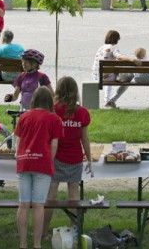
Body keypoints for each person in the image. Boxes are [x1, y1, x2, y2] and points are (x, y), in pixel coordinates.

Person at [43, 77, 93, 234]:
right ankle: (73, 231)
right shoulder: (82, 112)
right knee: (73, 197)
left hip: (54, 156)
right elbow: (84, 138)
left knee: (50, 197)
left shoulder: (53, 109)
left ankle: (43, 231)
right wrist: (90, 158)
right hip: (75, 157)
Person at [15, 87, 64, 249]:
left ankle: (22, 244)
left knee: (23, 205)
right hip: (42, 164)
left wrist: (19, 156)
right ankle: (37, 244)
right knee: (38, 205)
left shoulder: (24, 117)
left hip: (24, 162)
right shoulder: (54, 119)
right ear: (50, 101)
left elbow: (18, 140)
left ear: (33, 100)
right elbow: (54, 145)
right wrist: (49, 160)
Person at [92, 30, 140, 108]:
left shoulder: (101, 48)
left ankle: (107, 100)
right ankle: (112, 100)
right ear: (116, 39)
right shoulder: (113, 48)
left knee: (110, 73)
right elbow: (119, 56)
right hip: (106, 77)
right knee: (127, 81)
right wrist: (132, 59)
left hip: (97, 76)